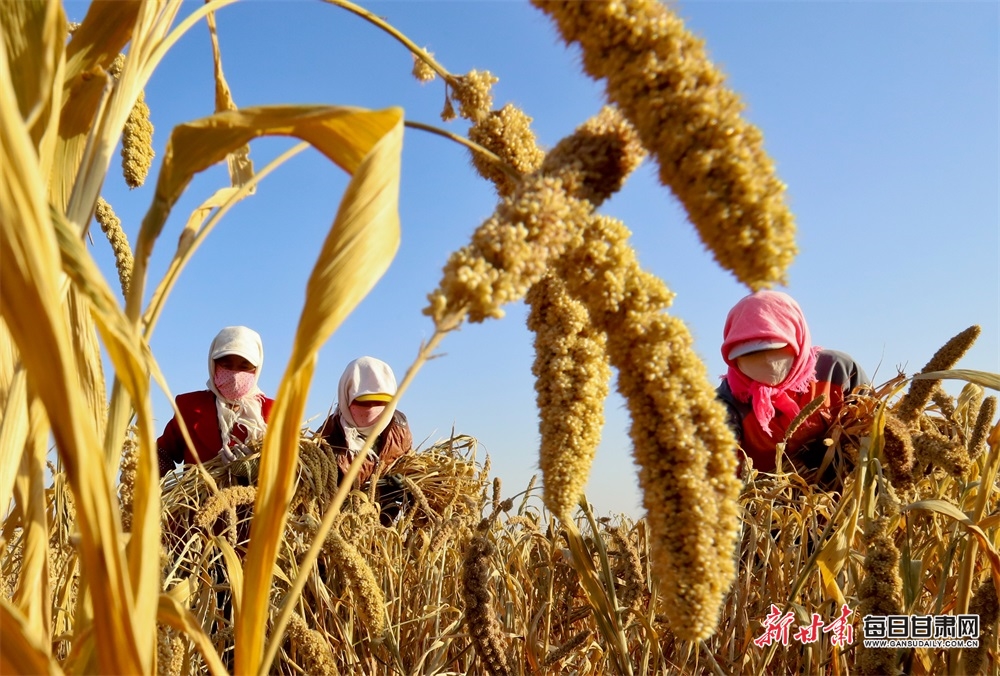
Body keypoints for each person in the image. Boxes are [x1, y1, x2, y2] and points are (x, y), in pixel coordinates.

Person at [716, 290, 869, 478]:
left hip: (845, 493)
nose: (765, 360)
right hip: (769, 503)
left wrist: (838, 454)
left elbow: (873, 428)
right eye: (749, 353)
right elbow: (719, 474)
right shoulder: (726, 403)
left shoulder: (838, 371)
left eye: (774, 348)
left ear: (796, 337)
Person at [157, 326, 274, 477]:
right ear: (213, 365)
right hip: (199, 500)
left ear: (256, 369)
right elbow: (162, 452)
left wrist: (258, 471)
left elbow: (293, 470)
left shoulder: (273, 412)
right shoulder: (190, 407)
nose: (235, 375)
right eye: (227, 365)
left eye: (244, 366)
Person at [317, 356, 412, 496]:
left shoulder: (399, 428)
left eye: (380, 403)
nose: (371, 411)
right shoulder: (325, 442)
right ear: (346, 399)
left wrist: (403, 489)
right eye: (363, 403)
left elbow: (410, 466)